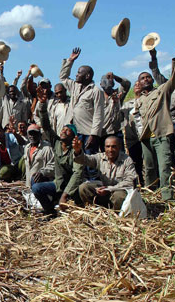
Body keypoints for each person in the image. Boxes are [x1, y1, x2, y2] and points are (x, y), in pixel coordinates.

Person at [136, 41, 175, 200]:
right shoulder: (139, 100)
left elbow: (174, 78)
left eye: (148, 77)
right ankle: (151, 195)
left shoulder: (162, 91)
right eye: (143, 78)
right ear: (139, 83)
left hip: (161, 135)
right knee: (149, 168)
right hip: (146, 138)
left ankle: (167, 196)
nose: (147, 79)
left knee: (164, 167)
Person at [32, 88, 84, 216]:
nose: (63, 131)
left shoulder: (76, 151)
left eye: (67, 131)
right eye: (63, 130)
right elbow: (46, 126)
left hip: (71, 188)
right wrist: (43, 105)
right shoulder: (57, 143)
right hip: (58, 184)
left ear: (73, 136)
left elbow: (77, 174)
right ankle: (50, 211)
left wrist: (66, 194)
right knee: (36, 186)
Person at [59, 47, 104, 179]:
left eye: (79, 73)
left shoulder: (96, 91)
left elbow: (99, 114)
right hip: (74, 131)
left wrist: (94, 134)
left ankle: (93, 189)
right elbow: (63, 76)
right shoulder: (75, 86)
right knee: (76, 163)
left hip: (87, 133)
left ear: (87, 76)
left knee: (90, 163)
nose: (76, 75)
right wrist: (70, 61)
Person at [74, 136, 138, 210]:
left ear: (119, 147)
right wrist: (77, 151)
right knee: (83, 187)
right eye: (108, 147)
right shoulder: (100, 157)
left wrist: (109, 189)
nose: (110, 150)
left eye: (113, 147)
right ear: (104, 147)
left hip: (119, 190)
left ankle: (116, 213)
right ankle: (95, 209)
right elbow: (85, 159)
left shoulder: (127, 160)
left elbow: (130, 182)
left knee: (119, 196)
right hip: (104, 189)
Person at [100, 73, 131, 150]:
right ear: (100, 84)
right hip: (103, 133)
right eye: (105, 81)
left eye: (110, 80)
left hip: (117, 132)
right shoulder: (97, 97)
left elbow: (127, 84)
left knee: (120, 156)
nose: (108, 83)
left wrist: (115, 77)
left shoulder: (117, 93)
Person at [122, 81, 145, 186]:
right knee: (135, 162)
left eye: (139, 84)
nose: (137, 86)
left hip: (145, 136)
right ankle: (138, 183)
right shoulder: (127, 104)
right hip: (132, 139)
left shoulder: (147, 101)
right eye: (135, 85)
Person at [0, 118, 24, 182]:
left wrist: (15, 134)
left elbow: (21, 142)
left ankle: (23, 178)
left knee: (25, 159)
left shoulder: (11, 136)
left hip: (17, 163)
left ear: (3, 131)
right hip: (7, 166)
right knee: (4, 171)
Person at [23, 124, 55, 192]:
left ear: (40, 135)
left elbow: (53, 166)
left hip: (41, 184)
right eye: (30, 134)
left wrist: (42, 172)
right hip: (29, 186)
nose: (32, 136)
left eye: (35, 133)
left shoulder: (47, 148)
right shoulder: (27, 148)